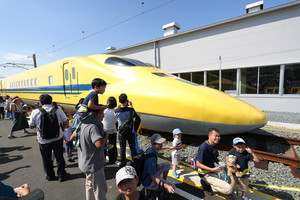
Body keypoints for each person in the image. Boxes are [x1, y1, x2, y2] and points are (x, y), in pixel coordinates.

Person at [29, 94, 69, 182]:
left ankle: (50, 176)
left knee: (46, 158)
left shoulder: (35, 112)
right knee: (59, 157)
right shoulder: (58, 110)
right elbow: (66, 123)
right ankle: (61, 175)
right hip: (57, 138)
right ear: (51, 101)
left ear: (41, 102)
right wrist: (61, 130)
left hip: (43, 140)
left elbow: (31, 126)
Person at [77, 109, 109, 200]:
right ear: (94, 114)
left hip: (85, 163)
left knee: (89, 187)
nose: (103, 116)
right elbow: (99, 144)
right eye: (101, 113)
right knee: (100, 191)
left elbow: (72, 137)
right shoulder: (93, 127)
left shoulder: (82, 124)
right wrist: (106, 135)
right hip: (94, 165)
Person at [196, 128, 233, 199]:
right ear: (209, 136)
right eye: (216, 136)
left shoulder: (214, 145)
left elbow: (215, 158)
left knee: (229, 177)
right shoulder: (203, 147)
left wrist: (220, 163)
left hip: (212, 171)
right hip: (205, 173)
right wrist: (212, 170)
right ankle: (206, 183)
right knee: (229, 189)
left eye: (219, 136)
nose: (218, 138)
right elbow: (198, 164)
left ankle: (210, 184)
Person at [115, 93, 141, 168]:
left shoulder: (117, 111)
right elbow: (136, 117)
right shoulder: (131, 110)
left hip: (121, 132)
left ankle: (123, 163)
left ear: (119, 101)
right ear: (127, 101)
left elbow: (115, 119)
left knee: (122, 148)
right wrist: (131, 106)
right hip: (131, 132)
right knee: (132, 147)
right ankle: (134, 162)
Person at [103, 96, 118, 164]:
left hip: (104, 130)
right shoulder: (115, 112)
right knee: (112, 145)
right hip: (112, 130)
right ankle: (112, 159)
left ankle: (103, 159)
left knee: (103, 145)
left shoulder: (104, 111)